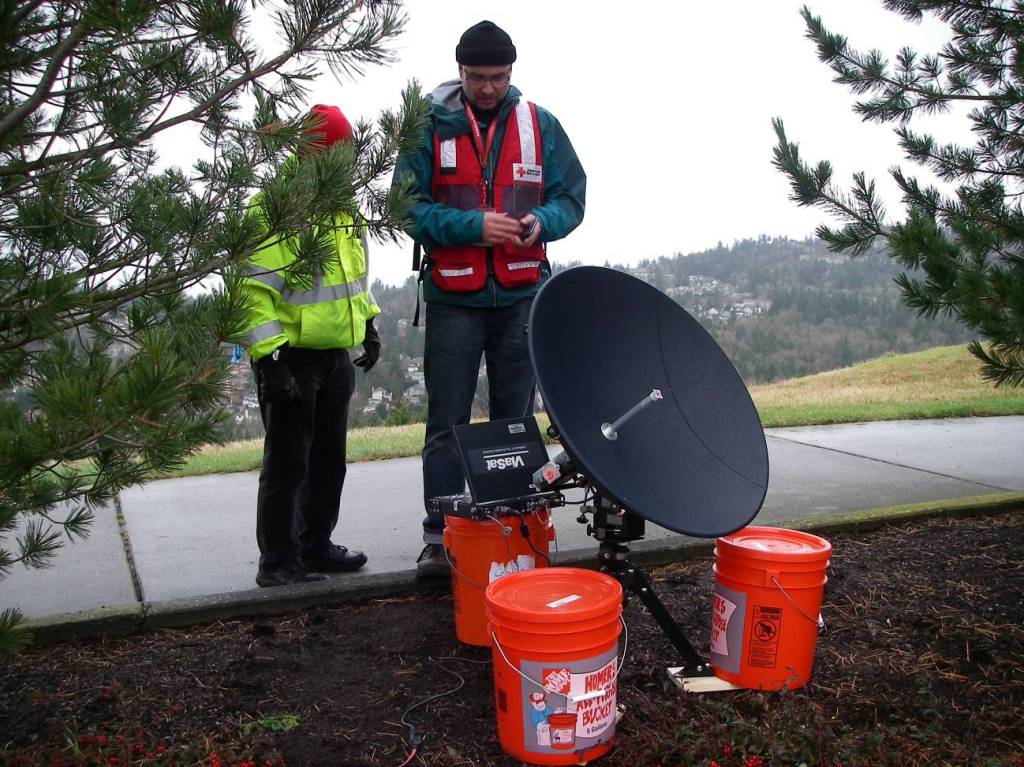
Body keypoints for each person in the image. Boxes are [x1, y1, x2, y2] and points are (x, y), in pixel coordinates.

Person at [392, 21, 586, 577]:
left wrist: (539, 222)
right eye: (477, 77)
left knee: (515, 421)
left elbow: (571, 199)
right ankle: (440, 536)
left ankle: (514, 530)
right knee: (447, 423)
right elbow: (405, 208)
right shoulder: (427, 126)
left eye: (498, 77)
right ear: (460, 72)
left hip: (522, 295)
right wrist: (472, 226)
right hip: (454, 298)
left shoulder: (540, 125)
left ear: (511, 74)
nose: (487, 88)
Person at [235, 104, 382, 588]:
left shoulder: (345, 209)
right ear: (310, 155)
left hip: (335, 356)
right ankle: (277, 561)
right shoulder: (274, 208)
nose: (345, 165)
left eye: (348, 155)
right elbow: (251, 290)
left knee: (327, 461)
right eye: (336, 155)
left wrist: (369, 324)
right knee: (287, 462)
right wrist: (269, 357)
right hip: (291, 356)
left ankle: (315, 547)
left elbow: (353, 279)